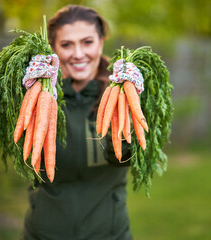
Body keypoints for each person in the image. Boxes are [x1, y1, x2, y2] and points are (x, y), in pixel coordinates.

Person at [22, 5, 133, 240]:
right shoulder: (40, 100)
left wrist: (130, 103)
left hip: (109, 234)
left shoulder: (119, 96)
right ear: (53, 49)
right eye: (66, 45)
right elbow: (22, 154)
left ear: (101, 42)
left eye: (87, 42)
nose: (78, 54)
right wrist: (24, 97)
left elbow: (125, 156)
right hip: (43, 234)